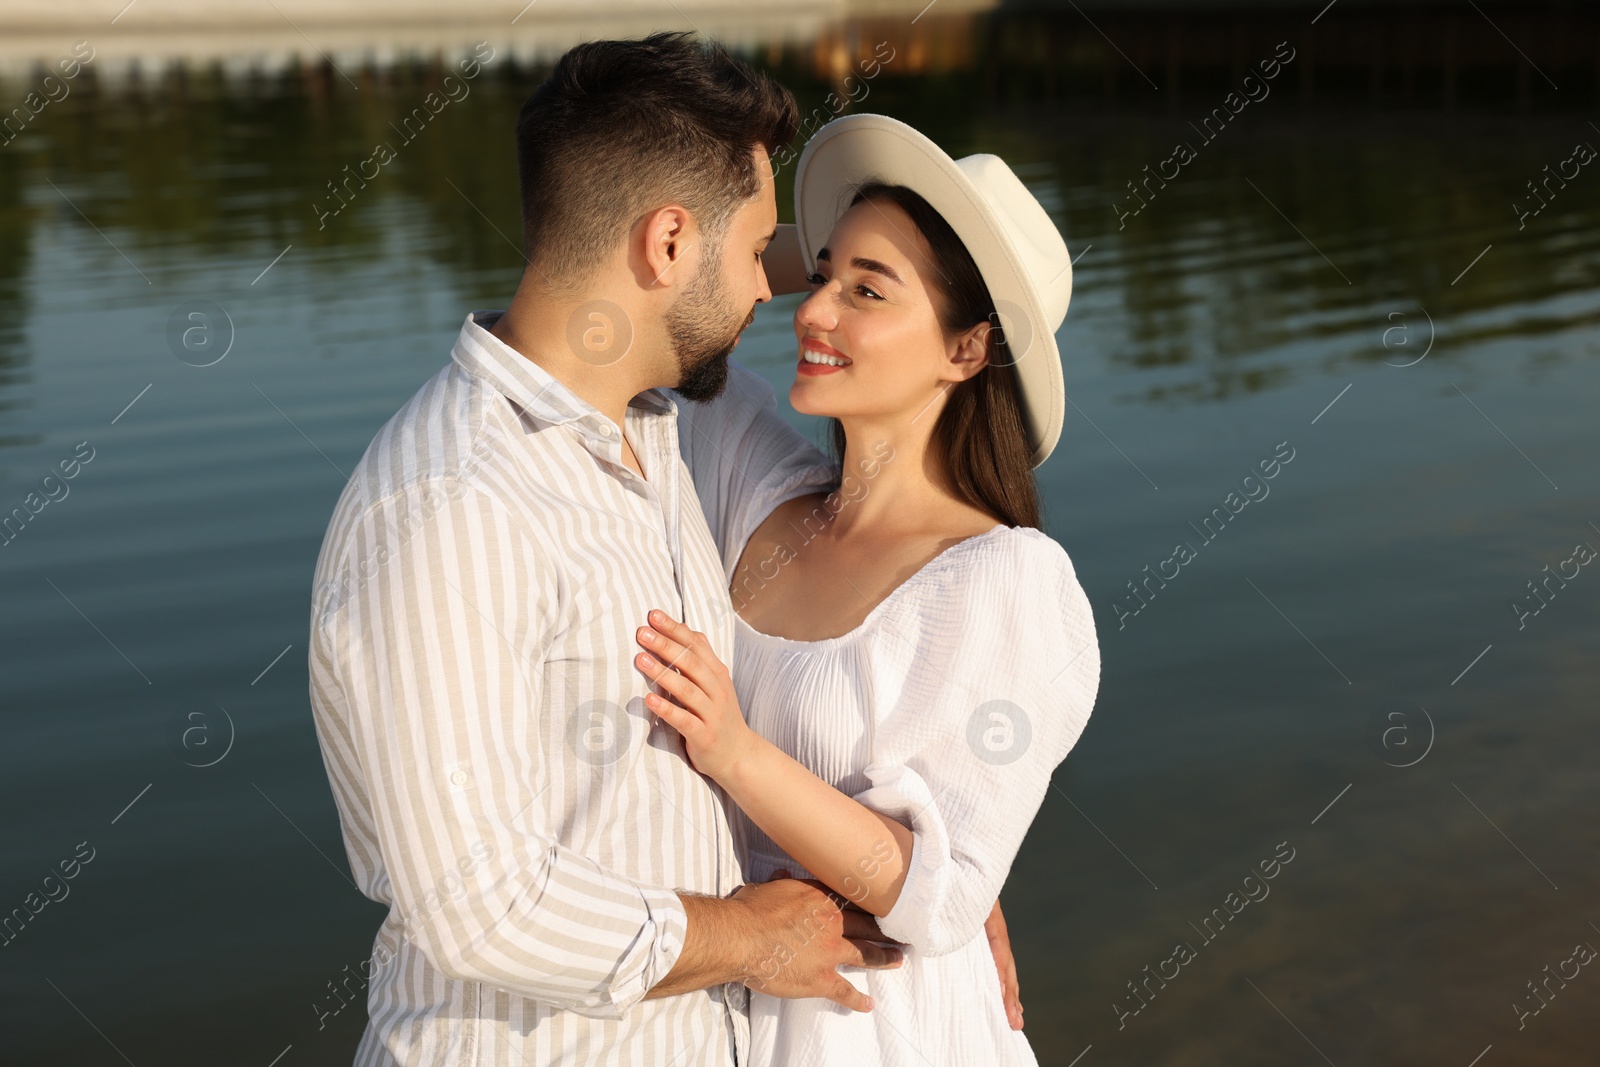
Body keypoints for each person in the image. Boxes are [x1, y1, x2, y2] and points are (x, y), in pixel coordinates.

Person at [305, 35, 909, 1066]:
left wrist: (940, 880)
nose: (768, 289)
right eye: (752, 249)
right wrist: (751, 936)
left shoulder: (669, 429)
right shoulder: (451, 503)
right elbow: (476, 905)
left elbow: (874, 515)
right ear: (666, 242)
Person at [634, 113, 1102, 1065]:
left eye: (867, 291)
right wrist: (834, 232)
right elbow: (605, 287)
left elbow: (940, 893)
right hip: (718, 1006)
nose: (815, 312)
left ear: (969, 350)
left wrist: (734, 750)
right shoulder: (751, 477)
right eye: (821, 276)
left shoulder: (1004, 579)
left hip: (879, 1030)